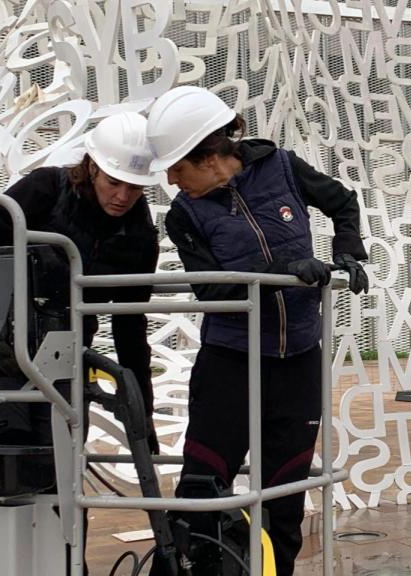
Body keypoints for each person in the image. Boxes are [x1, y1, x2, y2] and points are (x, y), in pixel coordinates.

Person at [146, 85, 369, 575]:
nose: (170, 180)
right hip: (231, 363)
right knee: (202, 492)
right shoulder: (185, 215)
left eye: (177, 169)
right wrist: (284, 274)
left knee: (284, 500)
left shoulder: (284, 168)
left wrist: (349, 253)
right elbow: (212, 295)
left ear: (207, 156)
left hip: (299, 363)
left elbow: (343, 203)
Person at [0, 111, 161, 452]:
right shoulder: (45, 188)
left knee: (62, 463)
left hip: (64, 355)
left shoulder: (138, 236)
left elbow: (130, 326)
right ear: (91, 167)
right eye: (113, 182)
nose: (122, 196)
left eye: (135, 187)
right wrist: (30, 271)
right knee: (8, 458)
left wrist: (143, 412)